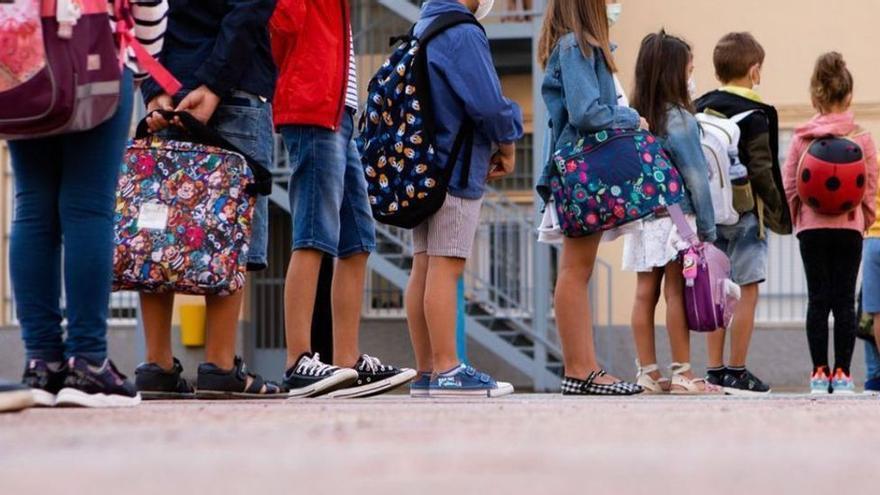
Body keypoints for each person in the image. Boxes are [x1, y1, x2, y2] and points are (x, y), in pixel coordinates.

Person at [12, 0, 168, 408]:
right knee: (87, 207)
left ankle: (42, 364)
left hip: (24, 62)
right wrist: (133, 65)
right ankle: (88, 363)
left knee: (32, 208)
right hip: (96, 53)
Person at [134, 0, 284, 399]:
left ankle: (157, 365)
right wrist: (213, 84)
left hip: (167, 92)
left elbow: (143, 11)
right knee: (232, 226)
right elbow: (248, 10)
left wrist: (154, 89)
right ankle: (219, 365)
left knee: (157, 226)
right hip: (235, 85)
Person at [271, 0, 415, 398]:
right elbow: (280, 25)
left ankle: (347, 361)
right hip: (313, 110)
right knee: (314, 232)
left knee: (358, 239)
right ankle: (297, 359)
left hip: (340, 114)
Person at [403, 0, 523, 398]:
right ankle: (449, 369)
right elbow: (488, 104)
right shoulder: (463, 31)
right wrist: (508, 141)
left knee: (422, 266)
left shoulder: (423, 26)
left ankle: (426, 372)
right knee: (447, 268)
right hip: (456, 166)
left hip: (423, 168)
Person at [537, 0, 645, 396]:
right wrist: (631, 119)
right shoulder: (575, 46)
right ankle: (581, 370)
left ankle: (583, 369)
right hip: (582, 170)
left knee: (575, 271)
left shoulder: (572, 46)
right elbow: (586, 113)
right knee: (574, 271)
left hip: (578, 170)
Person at [624, 31, 721, 395]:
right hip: (677, 218)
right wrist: (708, 231)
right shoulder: (679, 118)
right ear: (673, 73)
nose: (691, 77)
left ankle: (647, 372)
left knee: (643, 293)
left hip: (642, 217)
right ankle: (683, 372)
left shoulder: (635, 117)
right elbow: (696, 177)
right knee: (676, 292)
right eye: (689, 69)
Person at [695, 32, 788, 395]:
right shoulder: (758, 114)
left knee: (717, 290)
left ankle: (715, 370)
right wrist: (778, 210)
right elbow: (763, 169)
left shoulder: (699, 107)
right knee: (746, 290)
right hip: (747, 215)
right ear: (754, 70)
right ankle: (738, 370)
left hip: (711, 214)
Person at [783, 52, 878, 394]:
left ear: (815, 96)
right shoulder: (862, 138)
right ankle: (843, 374)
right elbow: (870, 186)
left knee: (817, 300)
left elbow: (791, 184)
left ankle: (818, 373)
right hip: (849, 228)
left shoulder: (801, 138)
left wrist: (799, 217)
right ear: (849, 96)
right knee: (843, 301)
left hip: (812, 228)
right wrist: (863, 219)